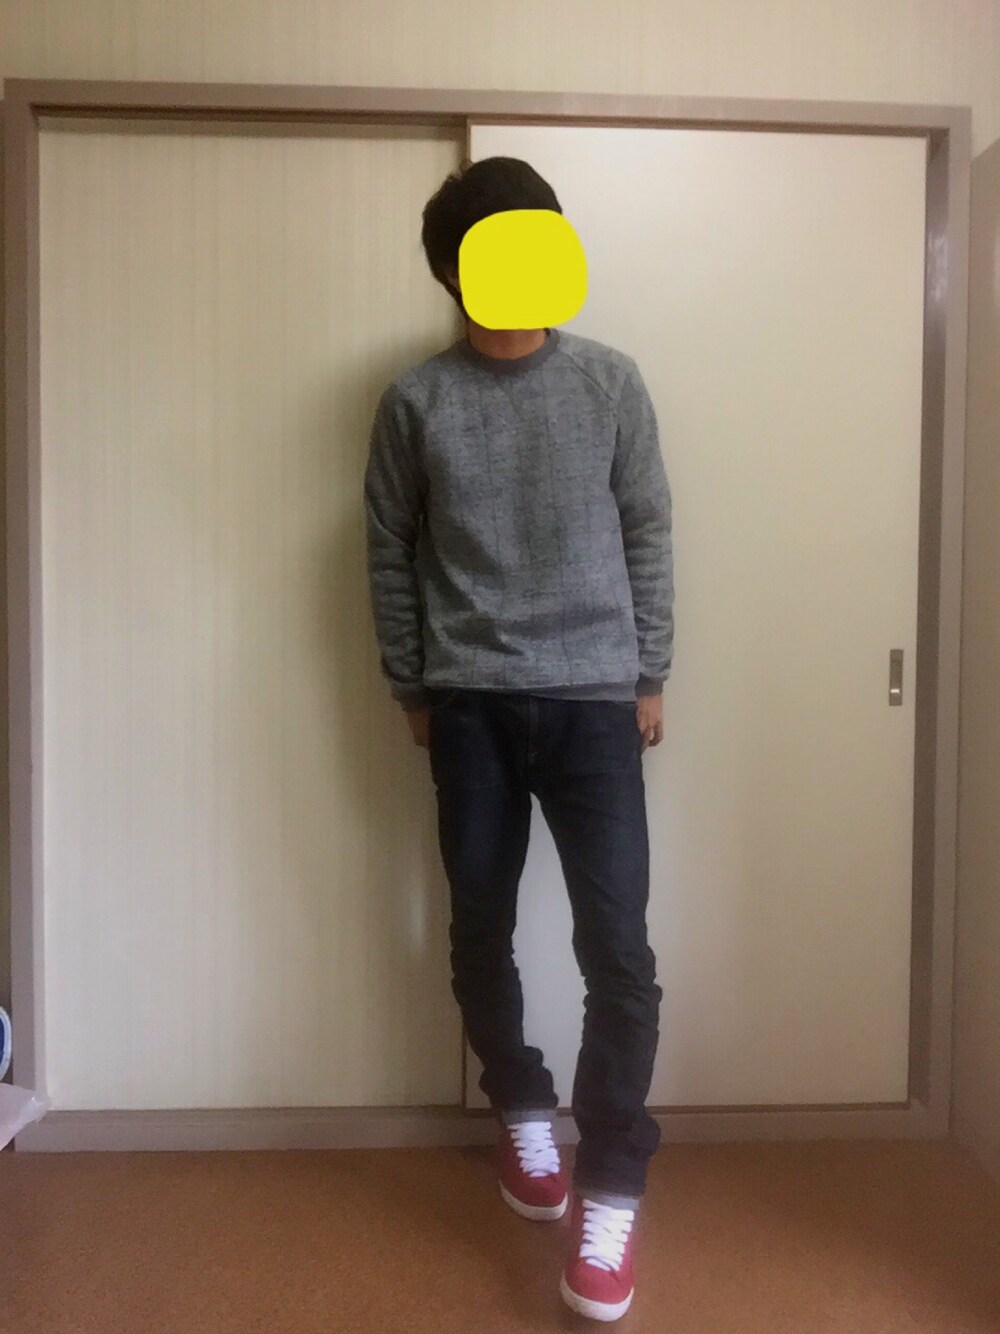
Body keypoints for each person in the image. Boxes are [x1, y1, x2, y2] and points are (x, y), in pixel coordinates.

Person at [363, 156, 674, 1324]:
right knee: (478, 929)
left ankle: (612, 1184)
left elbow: (647, 526)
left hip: (595, 703)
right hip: (471, 707)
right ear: (454, 272)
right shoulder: (415, 402)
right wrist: (412, 683)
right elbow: (387, 547)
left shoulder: (610, 382)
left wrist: (649, 669)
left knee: (619, 950)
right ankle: (524, 1108)